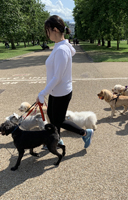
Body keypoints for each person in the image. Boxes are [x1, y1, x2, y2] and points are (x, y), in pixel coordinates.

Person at [36, 15, 94, 149]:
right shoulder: (60, 45)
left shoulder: (62, 49)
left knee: (59, 120)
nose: (46, 34)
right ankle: (56, 140)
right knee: (51, 115)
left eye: (47, 30)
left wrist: (43, 93)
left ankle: (85, 133)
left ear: (55, 30)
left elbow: (57, 77)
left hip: (61, 91)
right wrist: (46, 91)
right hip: (56, 90)